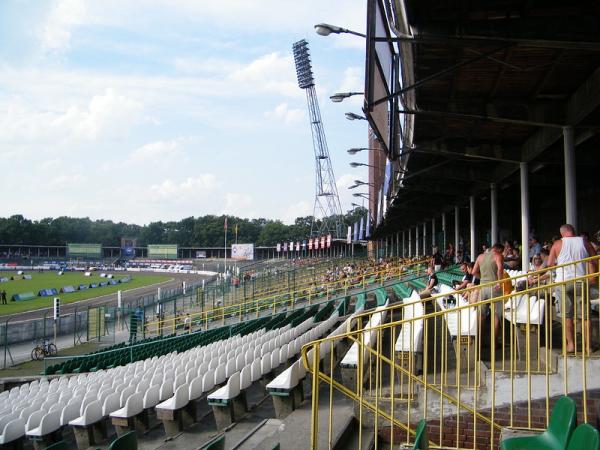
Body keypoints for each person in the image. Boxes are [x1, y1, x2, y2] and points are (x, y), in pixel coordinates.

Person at [547, 224, 597, 354]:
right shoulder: (584, 241)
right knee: (586, 316)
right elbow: (594, 259)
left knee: (567, 316)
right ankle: (589, 347)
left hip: (563, 282)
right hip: (581, 280)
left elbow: (550, 264)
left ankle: (571, 345)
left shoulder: (557, 244)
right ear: (573, 232)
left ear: (562, 233)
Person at [472, 243, 505, 345]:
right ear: (498, 250)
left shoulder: (480, 257)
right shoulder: (498, 256)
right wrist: (499, 282)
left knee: (481, 315)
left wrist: (482, 278)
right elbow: (500, 268)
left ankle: (479, 341)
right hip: (494, 287)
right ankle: (493, 342)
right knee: (496, 315)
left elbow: (473, 272)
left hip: (483, 287)